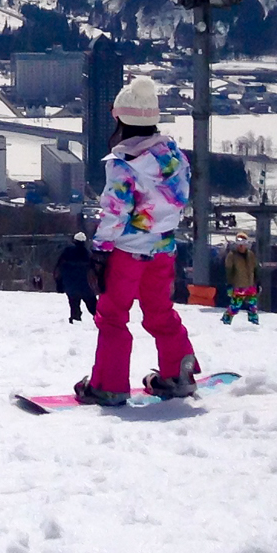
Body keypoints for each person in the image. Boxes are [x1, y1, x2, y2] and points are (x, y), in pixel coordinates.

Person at [79, 75, 201, 406]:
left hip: (126, 253)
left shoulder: (123, 164)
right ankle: (180, 373)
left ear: (121, 119)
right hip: (163, 249)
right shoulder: (174, 156)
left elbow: (115, 212)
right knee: (160, 312)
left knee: (113, 315)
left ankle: (110, 384)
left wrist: (100, 252)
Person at [55, 233, 98, 324]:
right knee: (94, 307)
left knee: (74, 306)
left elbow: (58, 268)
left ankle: (75, 321)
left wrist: (59, 283)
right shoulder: (88, 254)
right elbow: (94, 271)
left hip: (70, 285)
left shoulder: (67, 252)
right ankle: (101, 320)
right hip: (86, 286)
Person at [220, 235, 261, 326]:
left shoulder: (250, 255)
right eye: (239, 243)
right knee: (235, 306)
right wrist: (229, 284)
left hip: (250, 285)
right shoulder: (232, 255)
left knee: (253, 306)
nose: (241, 246)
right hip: (239, 286)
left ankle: (254, 323)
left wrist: (257, 282)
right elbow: (228, 271)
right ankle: (225, 322)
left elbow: (255, 268)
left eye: (243, 243)